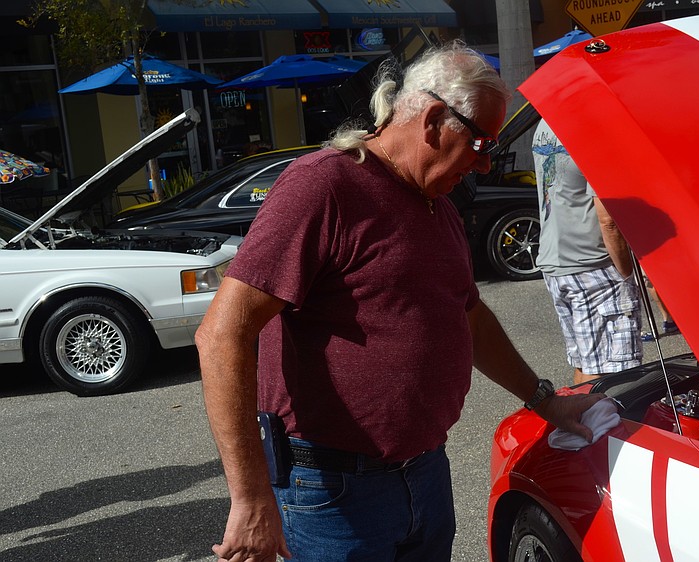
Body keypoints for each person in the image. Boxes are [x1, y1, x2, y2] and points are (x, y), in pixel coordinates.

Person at [195, 43, 605, 562]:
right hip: (332, 490)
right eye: (480, 142)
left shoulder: (437, 206)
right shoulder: (325, 185)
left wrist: (545, 399)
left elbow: (470, 318)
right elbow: (222, 334)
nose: (483, 164)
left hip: (424, 473)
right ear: (433, 119)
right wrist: (250, 497)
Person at [532, 118, 642, 385]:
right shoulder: (593, 132)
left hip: (556, 261)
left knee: (586, 362)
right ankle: (597, 427)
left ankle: (577, 424)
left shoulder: (544, 126)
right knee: (608, 373)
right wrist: (627, 274)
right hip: (593, 264)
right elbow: (609, 221)